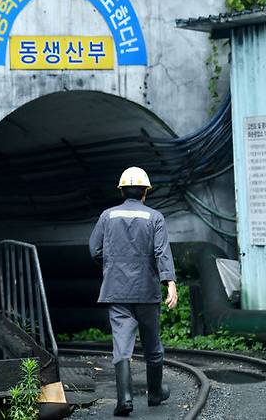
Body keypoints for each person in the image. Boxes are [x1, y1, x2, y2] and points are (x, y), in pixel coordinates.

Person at [89, 166, 178, 417]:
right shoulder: (155, 218)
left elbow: (94, 249)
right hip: (147, 291)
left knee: (122, 345)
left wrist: (111, 266)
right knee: (153, 345)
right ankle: (155, 393)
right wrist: (170, 282)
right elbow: (161, 252)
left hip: (117, 291)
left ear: (122, 192)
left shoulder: (107, 216)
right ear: (145, 193)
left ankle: (125, 399)